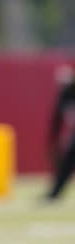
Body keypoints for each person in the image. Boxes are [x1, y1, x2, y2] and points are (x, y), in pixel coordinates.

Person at [44, 64, 75, 201]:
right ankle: (55, 193)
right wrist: (53, 141)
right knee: (67, 161)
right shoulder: (62, 98)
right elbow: (56, 121)